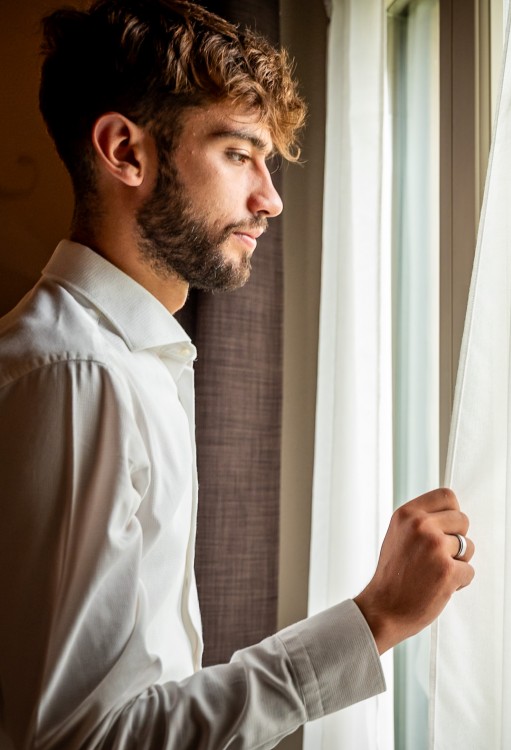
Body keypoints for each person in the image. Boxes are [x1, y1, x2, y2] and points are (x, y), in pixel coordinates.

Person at [0, 0, 474, 747]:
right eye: (237, 153)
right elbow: (83, 740)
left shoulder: (128, 363)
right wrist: (374, 619)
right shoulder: (78, 377)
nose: (271, 198)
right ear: (125, 151)